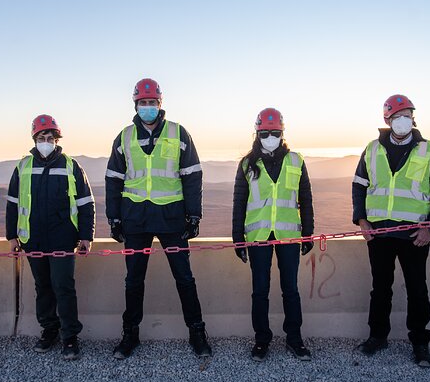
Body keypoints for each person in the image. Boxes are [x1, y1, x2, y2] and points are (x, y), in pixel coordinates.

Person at [105, 78, 212, 359]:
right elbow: (113, 179)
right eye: (143, 103)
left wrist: (194, 214)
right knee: (133, 281)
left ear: (160, 104)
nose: (148, 107)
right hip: (135, 218)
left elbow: (192, 176)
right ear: (136, 105)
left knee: (185, 278)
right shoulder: (125, 136)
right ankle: (130, 335)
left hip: (171, 217)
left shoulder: (179, 133)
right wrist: (113, 218)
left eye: (152, 103)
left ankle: (197, 333)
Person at [352, 94, 430, 368]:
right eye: (397, 116)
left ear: (413, 118)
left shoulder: (429, 150)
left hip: (414, 238)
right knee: (380, 289)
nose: (403, 120)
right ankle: (377, 337)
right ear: (387, 119)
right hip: (379, 235)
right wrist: (361, 220)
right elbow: (359, 186)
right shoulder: (372, 149)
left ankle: (420, 343)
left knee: (417, 289)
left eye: (407, 115)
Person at [5, 114, 95, 360]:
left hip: (63, 240)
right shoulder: (23, 167)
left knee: (63, 287)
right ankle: (49, 330)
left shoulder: (71, 165)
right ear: (34, 139)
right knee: (43, 287)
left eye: (51, 137)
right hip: (32, 240)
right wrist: (12, 236)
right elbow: (12, 204)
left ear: (57, 140)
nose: (47, 141)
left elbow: (86, 203)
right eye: (42, 137)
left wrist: (87, 236)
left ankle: (70, 337)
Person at [232, 108, 315, 362]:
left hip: (288, 235)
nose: (270, 136)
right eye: (265, 132)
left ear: (282, 133)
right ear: (257, 133)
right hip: (258, 235)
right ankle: (261, 340)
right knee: (260, 291)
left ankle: (294, 339)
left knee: (290, 289)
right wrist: (238, 238)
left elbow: (306, 198)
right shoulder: (247, 164)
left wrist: (308, 232)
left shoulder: (296, 160)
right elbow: (239, 202)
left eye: (275, 132)